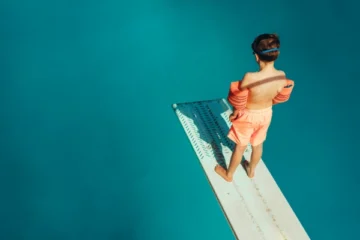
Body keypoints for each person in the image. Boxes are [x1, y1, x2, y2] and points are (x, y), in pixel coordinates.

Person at [215, 33, 294, 181]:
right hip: (266, 114)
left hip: (248, 116)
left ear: (257, 57)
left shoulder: (250, 77)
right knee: (258, 144)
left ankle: (229, 174)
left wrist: (235, 113)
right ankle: (251, 170)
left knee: (240, 147)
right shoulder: (282, 76)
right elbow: (278, 97)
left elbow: (239, 99)